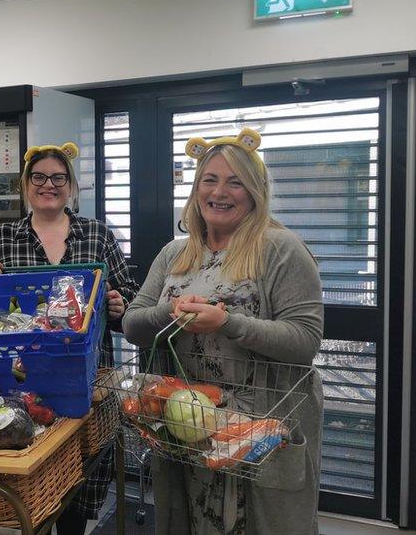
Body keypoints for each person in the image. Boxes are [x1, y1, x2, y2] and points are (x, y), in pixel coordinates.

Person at [122, 128, 324, 535]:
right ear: (196, 190)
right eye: (209, 180)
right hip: (186, 426)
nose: (220, 191)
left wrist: (229, 324)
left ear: (254, 192)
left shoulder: (281, 249)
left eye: (235, 182)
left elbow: (305, 341)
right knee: (192, 520)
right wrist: (168, 311)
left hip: (257, 431)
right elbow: (131, 325)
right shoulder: (175, 253)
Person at [0, 142, 138, 534]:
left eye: (58, 178)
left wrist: (120, 306)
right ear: (25, 184)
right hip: (19, 388)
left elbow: (131, 302)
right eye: (39, 177)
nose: (48, 184)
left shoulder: (97, 235)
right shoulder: (4, 237)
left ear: (70, 187)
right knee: (31, 488)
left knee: (81, 485)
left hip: (88, 385)